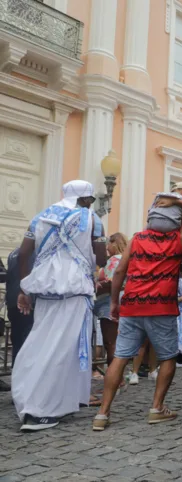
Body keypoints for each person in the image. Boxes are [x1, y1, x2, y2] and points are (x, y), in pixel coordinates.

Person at [93, 194, 182, 431]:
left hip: (132, 304)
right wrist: (179, 203)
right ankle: (156, 408)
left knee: (121, 356)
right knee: (167, 357)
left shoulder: (137, 238)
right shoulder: (178, 239)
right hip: (162, 307)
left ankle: (102, 414)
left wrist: (114, 302)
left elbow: (120, 271)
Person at [12, 180, 106, 432]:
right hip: (74, 291)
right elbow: (103, 256)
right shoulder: (91, 219)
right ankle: (39, 409)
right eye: (90, 199)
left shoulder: (42, 215)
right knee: (61, 349)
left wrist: (24, 288)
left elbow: (23, 254)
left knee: (41, 343)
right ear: (85, 199)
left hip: (44, 291)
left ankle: (58, 400)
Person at [95, 233, 128, 370]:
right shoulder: (126, 259)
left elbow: (110, 283)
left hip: (108, 302)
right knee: (118, 342)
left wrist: (97, 284)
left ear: (114, 243)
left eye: (108, 244)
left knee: (110, 343)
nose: (107, 248)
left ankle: (114, 376)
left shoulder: (115, 260)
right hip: (122, 301)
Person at [4, 248, 35, 370]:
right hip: (27, 302)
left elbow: (9, 278)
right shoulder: (35, 253)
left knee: (17, 340)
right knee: (27, 342)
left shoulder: (13, 253)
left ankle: (16, 372)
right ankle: (24, 375)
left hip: (12, 302)